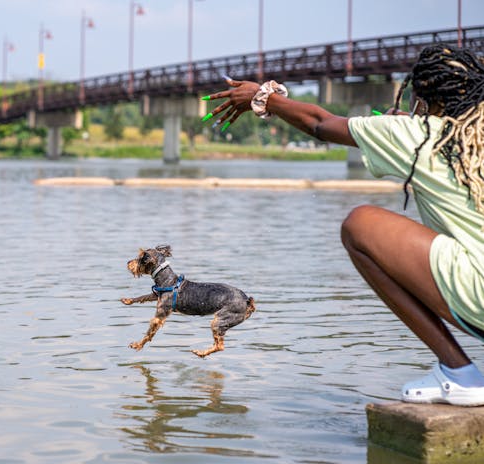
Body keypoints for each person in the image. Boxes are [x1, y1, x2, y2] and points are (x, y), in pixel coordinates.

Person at [204, 44, 484, 406]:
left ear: (426, 95)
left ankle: (460, 373)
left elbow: (319, 123)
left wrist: (263, 97)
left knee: (360, 225)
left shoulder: (422, 134)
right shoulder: (466, 135)